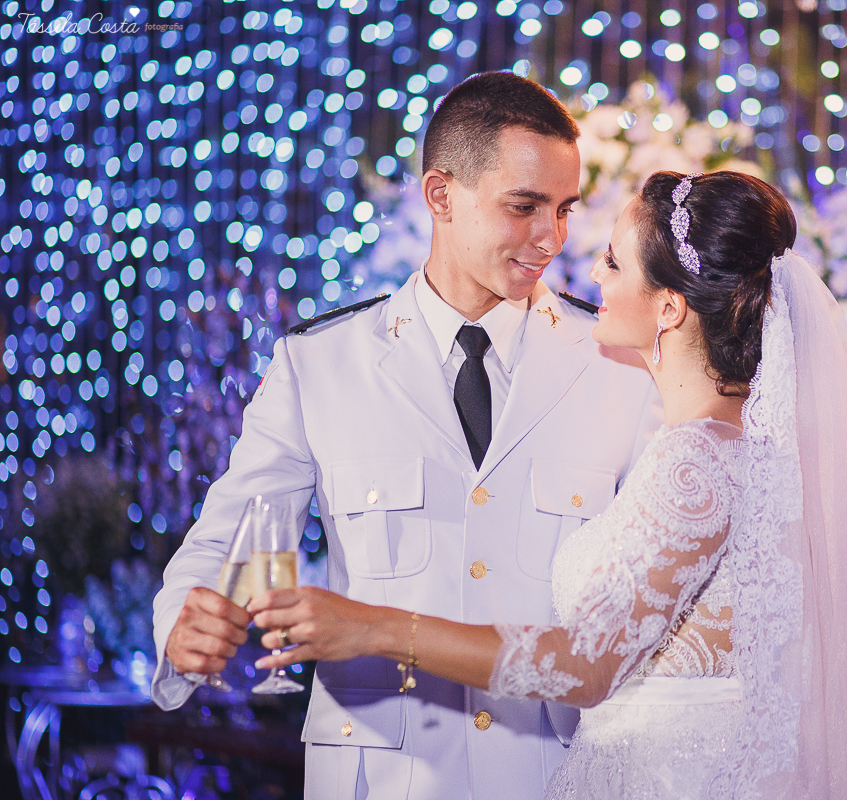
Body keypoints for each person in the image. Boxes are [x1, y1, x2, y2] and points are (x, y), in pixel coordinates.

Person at [248, 170, 847, 799]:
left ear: (668, 308)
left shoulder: (696, 462)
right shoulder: (737, 447)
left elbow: (585, 664)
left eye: (614, 261)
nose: (591, 275)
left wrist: (368, 626)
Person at [150, 72, 663, 799]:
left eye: (563, 209)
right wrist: (183, 624)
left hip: (556, 775)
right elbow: (230, 543)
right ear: (440, 196)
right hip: (377, 779)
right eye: (524, 207)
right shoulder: (318, 363)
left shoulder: (621, 366)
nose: (551, 238)